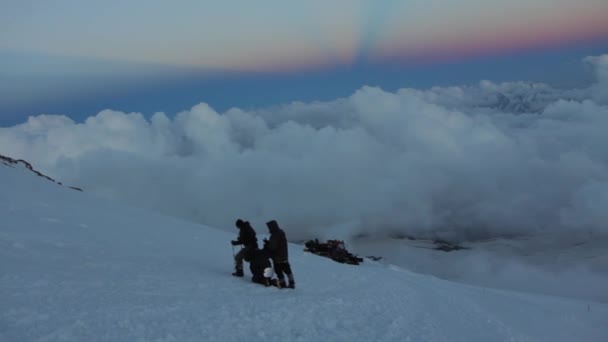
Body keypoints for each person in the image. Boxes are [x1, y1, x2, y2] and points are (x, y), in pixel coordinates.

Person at [263, 220, 295, 289]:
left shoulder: (274, 235)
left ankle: (282, 284)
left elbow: (273, 247)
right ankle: (292, 283)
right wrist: (269, 243)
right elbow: (278, 244)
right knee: (287, 269)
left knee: (278, 271)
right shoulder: (281, 232)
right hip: (284, 256)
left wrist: (267, 245)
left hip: (277, 257)